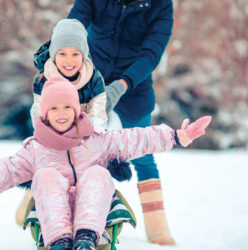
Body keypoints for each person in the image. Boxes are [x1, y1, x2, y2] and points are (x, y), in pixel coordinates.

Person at [0, 76, 211, 250]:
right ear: (44, 114)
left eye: (66, 107)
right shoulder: (35, 150)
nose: (61, 113)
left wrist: (176, 135)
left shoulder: (97, 140)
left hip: (94, 215)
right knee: (45, 176)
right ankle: (61, 243)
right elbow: (1, 171)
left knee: (98, 173)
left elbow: (136, 139)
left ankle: (86, 239)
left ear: (76, 111)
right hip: (54, 218)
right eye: (54, 108)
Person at [68, 0, 177, 245]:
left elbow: (151, 53)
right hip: (90, 75)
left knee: (143, 153)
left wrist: (121, 85)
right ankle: (38, 204)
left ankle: (158, 229)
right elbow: (75, 24)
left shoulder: (161, 5)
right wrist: (65, 60)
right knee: (68, 145)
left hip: (134, 84)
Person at [16, 18, 109, 226]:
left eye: (75, 54)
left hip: (83, 129)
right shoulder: (43, 79)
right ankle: (38, 198)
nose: (69, 60)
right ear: (54, 55)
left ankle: (91, 207)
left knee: (88, 168)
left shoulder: (94, 78)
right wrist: (52, 137)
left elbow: (98, 108)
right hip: (52, 131)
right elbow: (41, 113)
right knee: (54, 170)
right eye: (63, 53)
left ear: (83, 55)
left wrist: (93, 130)